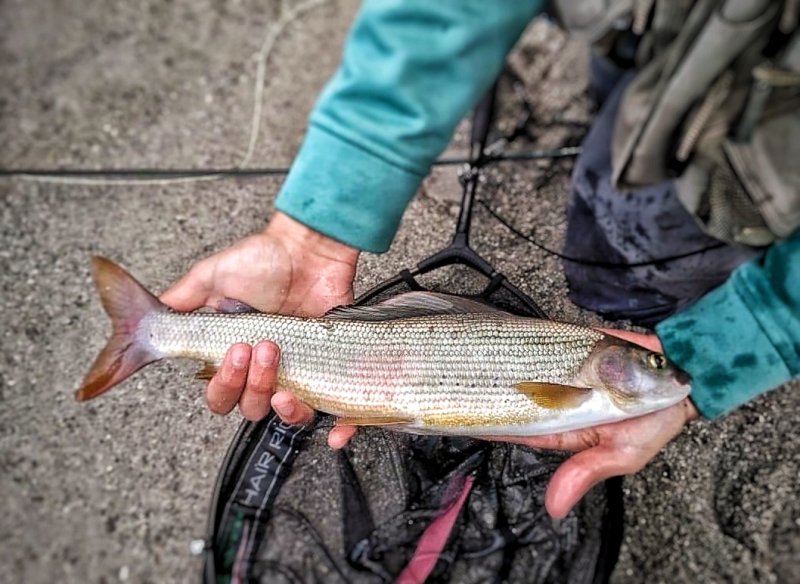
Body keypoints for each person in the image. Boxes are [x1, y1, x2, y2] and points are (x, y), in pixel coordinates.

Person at [160, 1, 800, 520]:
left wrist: (734, 343)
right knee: (628, 159)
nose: (670, 372)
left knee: (631, 238)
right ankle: (643, 80)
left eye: (658, 364)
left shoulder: (594, 375)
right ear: (615, 363)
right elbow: (440, 16)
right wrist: (311, 233)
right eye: (654, 365)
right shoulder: (590, 380)